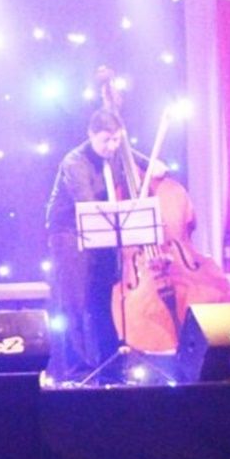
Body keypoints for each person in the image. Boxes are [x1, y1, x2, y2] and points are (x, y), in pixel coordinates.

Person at [44, 107, 162, 382]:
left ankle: (110, 367)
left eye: (117, 139)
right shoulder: (75, 162)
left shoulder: (118, 152)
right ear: (91, 135)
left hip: (104, 230)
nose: (112, 146)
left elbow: (139, 159)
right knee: (75, 301)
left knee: (103, 299)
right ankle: (78, 371)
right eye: (106, 140)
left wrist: (153, 165)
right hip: (69, 233)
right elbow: (87, 204)